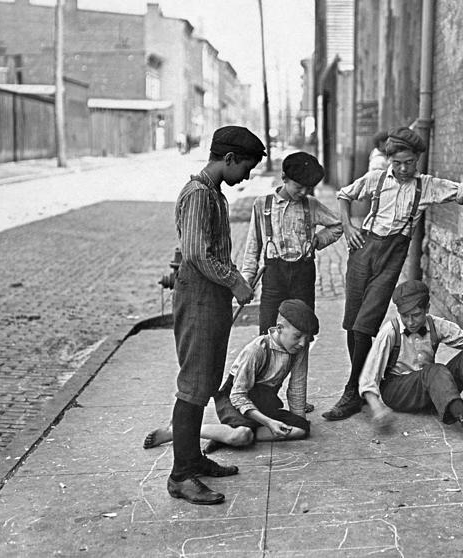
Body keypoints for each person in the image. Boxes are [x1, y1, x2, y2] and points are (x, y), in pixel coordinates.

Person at [322, 126, 463, 420]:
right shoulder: (376, 178)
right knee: (352, 325)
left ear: (418, 159)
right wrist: (348, 226)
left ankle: (351, 392)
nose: (404, 168)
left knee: (364, 326)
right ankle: (360, 388)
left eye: (409, 162)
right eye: (398, 163)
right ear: (389, 159)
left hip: (392, 257)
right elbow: (344, 195)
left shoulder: (426, 186)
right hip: (362, 250)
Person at [165, 124, 266, 506]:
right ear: (228, 159)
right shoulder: (198, 195)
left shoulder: (214, 194)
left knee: (205, 380)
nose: (248, 175)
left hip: (212, 298)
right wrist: (236, 280)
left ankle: (193, 459)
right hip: (199, 299)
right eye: (247, 167)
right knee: (193, 385)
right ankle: (181, 476)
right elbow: (194, 253)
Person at [144, 299, 319, 453]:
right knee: (242, 436)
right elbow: (238, 395)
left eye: (307, 338)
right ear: (280, 329)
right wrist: (268, 422)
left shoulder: (298, 349)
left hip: (263, 402)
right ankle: (180, 431)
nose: (303, 343)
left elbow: (296, 387)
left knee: (300, 429)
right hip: (235, 400)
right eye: (298, 336)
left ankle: (223, 435)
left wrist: (297, 419)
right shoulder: (257, 349)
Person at [359, 280, 463, 444]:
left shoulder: (436, 324)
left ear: (427, 309)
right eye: (405, 316)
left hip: (430, 386)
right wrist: (377, 408)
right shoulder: (390, 331)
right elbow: (368, 378)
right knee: (435, 370)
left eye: (416, 315)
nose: (410, 322)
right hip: (398, 390)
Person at [241, 151, 342, 336]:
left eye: (308, 188)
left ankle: (298, 365)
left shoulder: (311, 204)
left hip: (302, 276)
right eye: (299, 186)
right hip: (273, 278)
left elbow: (337, 226)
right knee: (268, 331)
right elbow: (253, 247)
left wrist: (319, 239)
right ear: (284, 178)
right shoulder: (262, 204)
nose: (303, 192)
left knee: (302, 330)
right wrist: (247, 280)